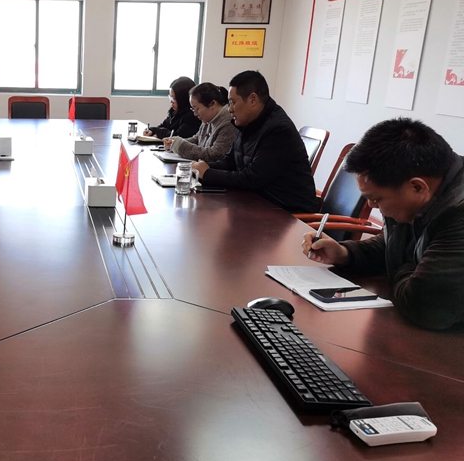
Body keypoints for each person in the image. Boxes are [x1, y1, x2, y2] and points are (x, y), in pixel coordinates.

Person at [302, 118, 464, 331]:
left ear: (417, 187)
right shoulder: (419, 193)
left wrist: (403, 266)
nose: (371, 206)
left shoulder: (458, 213)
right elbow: (392, 245)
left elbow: (425, 307)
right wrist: (344, 253)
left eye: (377, 199)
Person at [192, 70, 317, 213]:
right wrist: (198, 168)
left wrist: (207, 174)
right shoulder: (246, 123)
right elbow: (231, 162)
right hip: (258, 204)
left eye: (233, 102)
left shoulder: (279, 130)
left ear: (253, 99)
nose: (230, 109)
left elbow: (251, 179)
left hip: (287, 213)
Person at [161, 82, 235, 162]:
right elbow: (197, 139)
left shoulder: (228, 122)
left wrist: (179, 146)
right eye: (193, 109)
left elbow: (214, 154)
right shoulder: (208, 118)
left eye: (197, 109)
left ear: (213, 104)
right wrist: (174, 142)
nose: (195, 114)